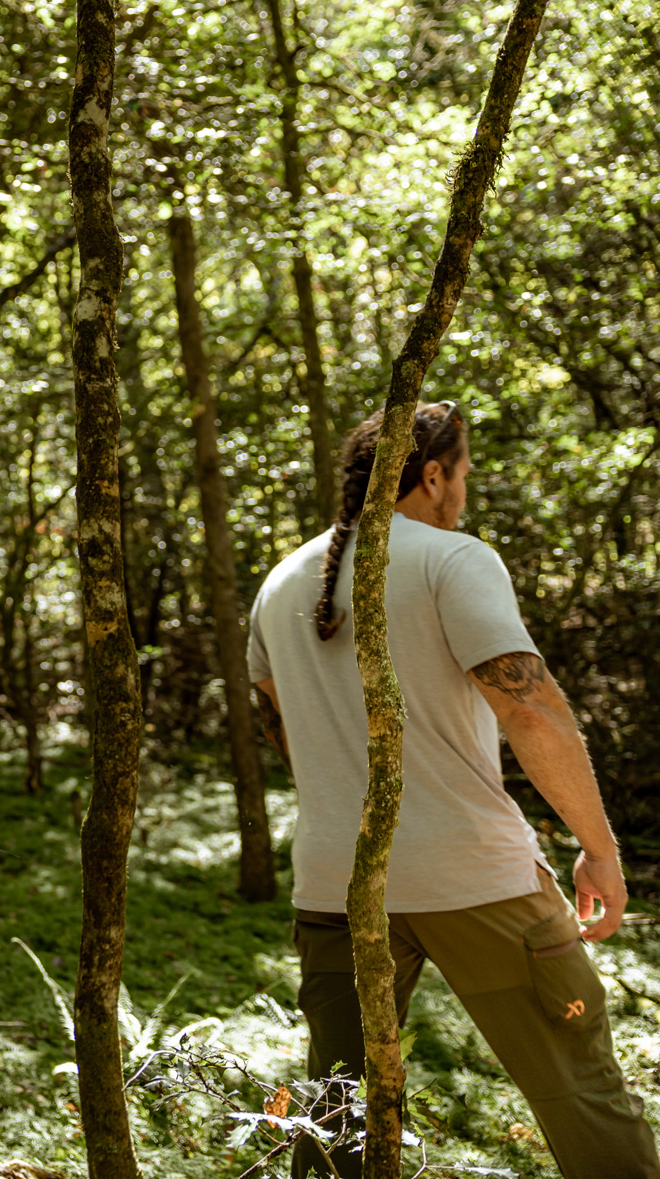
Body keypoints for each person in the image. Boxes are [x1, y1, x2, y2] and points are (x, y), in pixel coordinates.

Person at [247, 401, 660, 1179]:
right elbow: (530, 708)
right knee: (579, 1084)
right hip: (475, 874)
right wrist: (598, 848)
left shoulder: (280, 581)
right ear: (432, 474)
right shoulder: (452, 558)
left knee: (332, 1112)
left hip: (335, 880)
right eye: (463, 474)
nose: (465, 492)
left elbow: (279, 721)